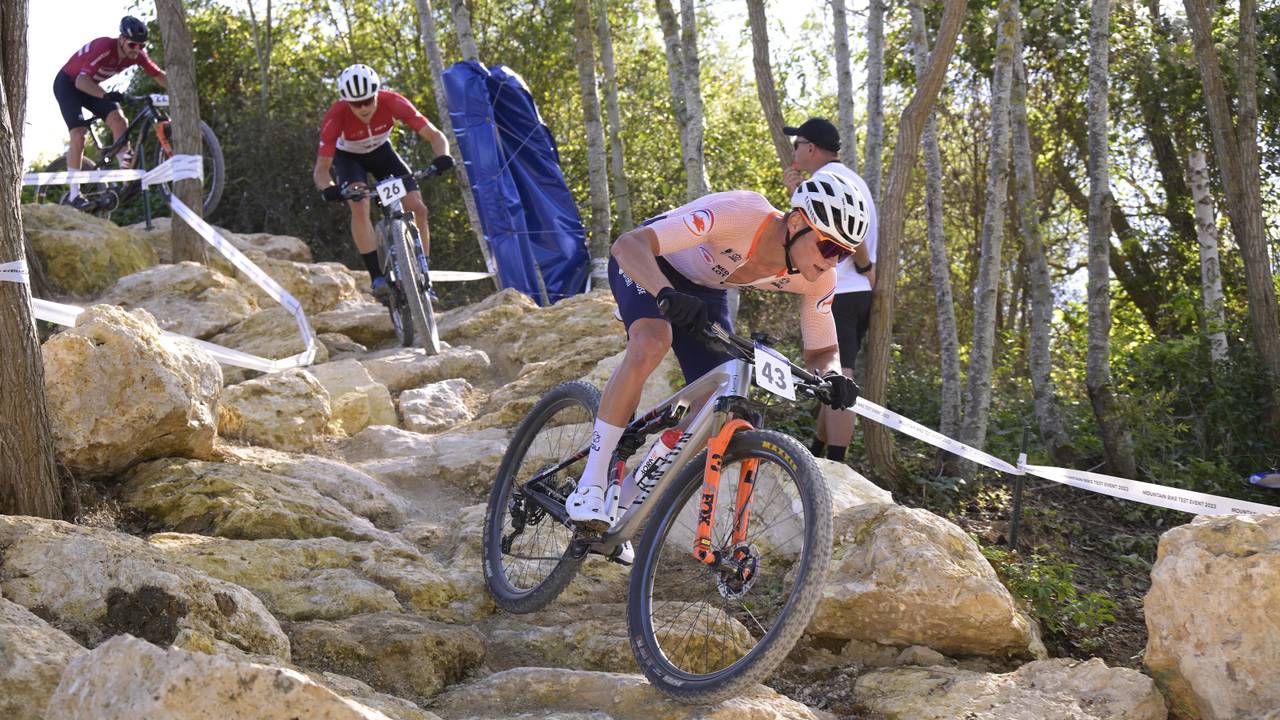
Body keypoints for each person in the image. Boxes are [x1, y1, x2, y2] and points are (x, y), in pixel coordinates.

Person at [566, 170, 872, 561]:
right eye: (830, 248)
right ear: (796, 222)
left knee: (717, 405)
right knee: (652, 342)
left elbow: (821, 350)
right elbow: (629, 245)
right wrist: (664, 292)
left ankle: (622, 505)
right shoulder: (740, 214)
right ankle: (591, 482)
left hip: (707, 291)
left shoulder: (817, 278)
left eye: (845, 254)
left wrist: (832, 376)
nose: (835, 262)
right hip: (652, 264)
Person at [313, 64, 453, 299]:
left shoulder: (393, 102)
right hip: (349, 159)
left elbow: (435, 135)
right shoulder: (335, 117)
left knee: (418, 208)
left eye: (369, 100)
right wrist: (330, 189)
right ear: (346, 102)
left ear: (377, 93)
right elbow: (321, 170)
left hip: (382, 153)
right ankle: (377, 276)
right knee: (359, 205)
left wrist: (443, 157)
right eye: (357, 104)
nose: (364, 107)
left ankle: (423, 273)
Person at [783, 118, 878, 463]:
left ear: (810, 148)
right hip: (856, 290)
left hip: (842, 287)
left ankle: (836, 463)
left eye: (797, 145)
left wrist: (867, 269)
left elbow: (854, 234)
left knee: (839, 373)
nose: (794, 151)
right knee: (829, 373)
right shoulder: (852, 180)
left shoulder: (827, 180)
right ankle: (819, 453)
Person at [55, 16, 168, 212]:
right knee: (79, 133)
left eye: (142, 46)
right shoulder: (104, 47)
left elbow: (158, 75)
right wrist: (105, 95)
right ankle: (74, 195)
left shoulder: (138, 54)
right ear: (122, 39)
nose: (137, 50)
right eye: (132, 44)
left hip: (89, 85)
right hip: (69, 84)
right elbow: (81, 82)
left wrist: (183, 92)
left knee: (119, 120)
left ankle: (124, 177)